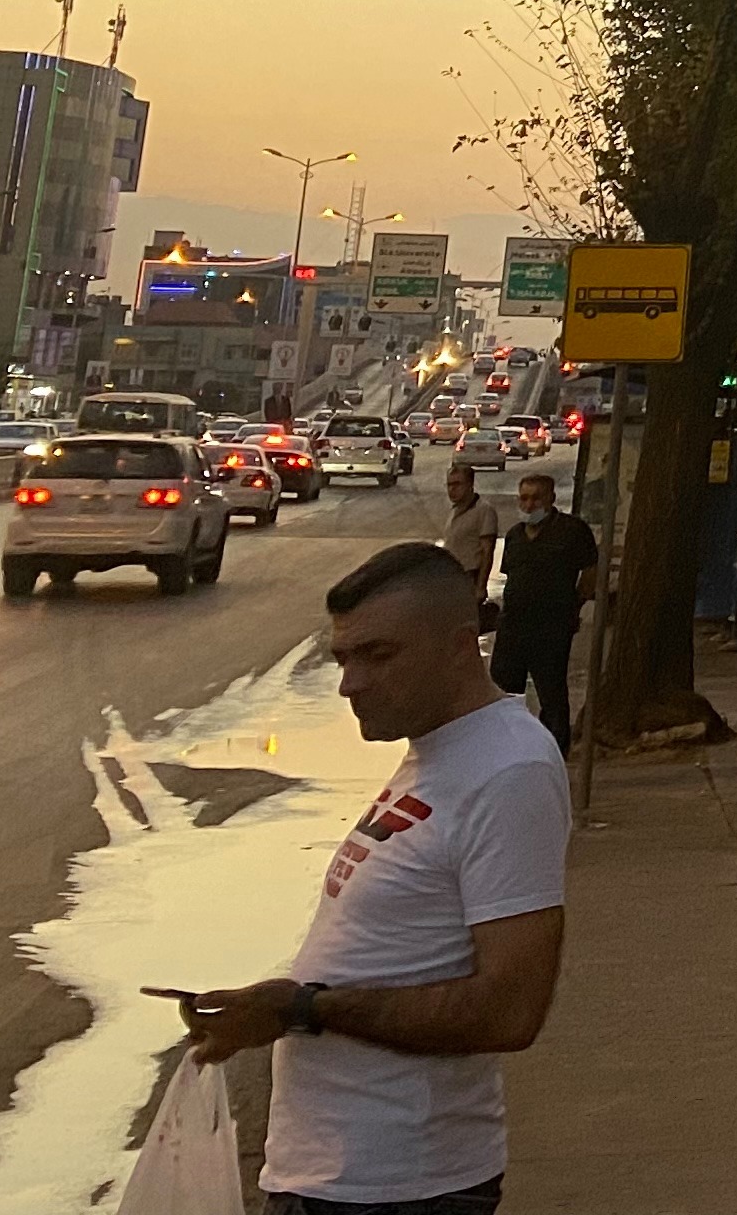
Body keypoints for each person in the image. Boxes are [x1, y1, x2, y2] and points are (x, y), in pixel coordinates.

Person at [174, 539, 569, 1215]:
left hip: (398, 1190)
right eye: (344, 658)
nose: (350, 683)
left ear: (459, 646)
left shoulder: (509, 770)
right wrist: (279, 1011)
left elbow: (510, 1010)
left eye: (379, 655)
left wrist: (304, 1009)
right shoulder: (441, 752)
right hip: (339, 1178)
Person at [491, 472, 598, 753]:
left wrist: (574, 605)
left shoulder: (571, 531)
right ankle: (509, 746)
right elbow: (511, 576)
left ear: (551, 499)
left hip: (551, 627)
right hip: (513, 626)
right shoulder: (515, 535)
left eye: (536, 499)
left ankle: (555, 748)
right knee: (505, 690)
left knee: (551, 691)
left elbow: (590, 572)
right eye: (524, 498)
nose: (529, 505)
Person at [434, 464, 499, 603]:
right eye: (449, 485)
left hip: (470, 577)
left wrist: (481, 586)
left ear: (470, 484)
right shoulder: (454, 511)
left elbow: (487, 552)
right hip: (452, 576)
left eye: (457, 484)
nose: (452, 489)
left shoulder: (483, 510)